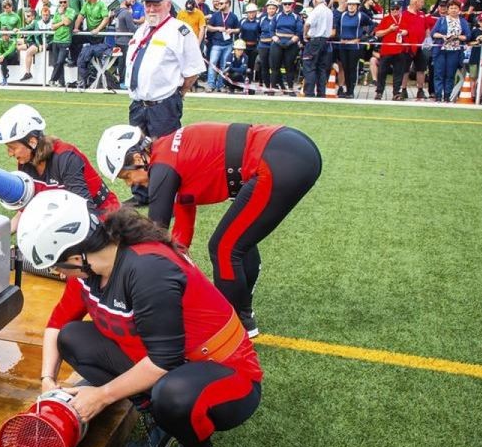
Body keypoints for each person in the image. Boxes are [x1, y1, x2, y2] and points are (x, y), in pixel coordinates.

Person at [18, 192, 262, 447]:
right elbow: (57, 324)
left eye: (57, 266)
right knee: (72, 337)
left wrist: (101, 395)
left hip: (229, 374)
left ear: (77, 257)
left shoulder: (147, 270)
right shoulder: (93, 265)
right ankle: (158, 418)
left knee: (172, 395)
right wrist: (47, 380)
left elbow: (164, 361)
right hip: (173, 362)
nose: (59, 274)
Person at [96, 122, 322, 336]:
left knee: (224, 248)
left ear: (138, 157)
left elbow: (154, 235)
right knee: (238, 242)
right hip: (289, 149)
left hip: (280, 160)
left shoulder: (163, 167)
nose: (131, 184)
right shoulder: (167, 158)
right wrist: (181, 263)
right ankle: (243, 313)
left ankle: (235, 325)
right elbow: (180, 233)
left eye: (127, 176)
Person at [123, 0, 206, 206]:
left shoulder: (180, 31)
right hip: (138, 103)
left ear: (168, 4)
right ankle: (141, 195)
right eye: (148, 4)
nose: (151, 9)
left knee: (165, 154)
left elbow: (193, 70)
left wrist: (179, 94)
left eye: (156, 4)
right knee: (137, 151)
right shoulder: (142, 30)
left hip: (163, 104)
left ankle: (165, 199)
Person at [0, 103, 119, 230]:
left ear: (32, 142)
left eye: (12, 148)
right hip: (67, 216)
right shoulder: (25, 163)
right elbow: (26, 209)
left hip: (102, 214)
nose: (10, 154)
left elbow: (86, 211)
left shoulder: (66, 157)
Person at [333, 0, 373, 98]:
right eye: (349, 4)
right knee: (345, 68)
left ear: (357, 6)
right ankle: (347, 90)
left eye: (353, 4)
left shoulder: (361, 16)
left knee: (352, 68)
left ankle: (351, 91)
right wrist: (339, 38)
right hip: (343, 46)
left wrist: (362, 38)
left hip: (354, 47)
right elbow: (336, 28)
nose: (351, 6)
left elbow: (372, 24)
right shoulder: (342, 15)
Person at [431, 2, 471, 103]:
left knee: (450, 74)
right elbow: (433, 33)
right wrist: (443, 36)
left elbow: (467, 36)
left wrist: (457, 37)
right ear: (448, 10)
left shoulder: (463, 21)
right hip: (441, 50)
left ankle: (447, 96)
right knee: (438, 73)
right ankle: (438, 96)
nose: (453, 10)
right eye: (451, 8)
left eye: (455, 8)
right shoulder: (441, 20)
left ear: (459, 10)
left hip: (455, 51)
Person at [301, 0, 334, 98]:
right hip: (325, 41)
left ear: (314, 0)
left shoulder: (316, 10)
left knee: (309, 66)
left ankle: (309, 93)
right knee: (321, 68)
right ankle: (321, 93)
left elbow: (307, 24)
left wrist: (305, 35)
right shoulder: (329, 11)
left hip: (314, 40)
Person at [269, 0, 303, 92]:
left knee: (290, 67)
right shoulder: (277, 16)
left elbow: (299, 32)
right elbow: (271, 31)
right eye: (285, 4)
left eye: (289, 4)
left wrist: (291, 42)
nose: (287, 6)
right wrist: (277, 40)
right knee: (275, 67)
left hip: (291, 44)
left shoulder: (297, 17)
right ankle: (273, 88)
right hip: (277, 43)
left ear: (292, 5)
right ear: (282, 5)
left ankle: (290, 88)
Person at [204, 0, 239, 91]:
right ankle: (210, 85)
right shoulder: (215, 15)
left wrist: (232, 30)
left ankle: (221, 85)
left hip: (228, 44)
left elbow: (238, 29)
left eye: (221, 3)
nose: (219, 5)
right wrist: (218, 28)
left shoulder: (233, 16)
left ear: (227, 4)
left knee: (224, 65)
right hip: (216, 43)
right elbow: (208, 27)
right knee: (213, 64)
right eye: (219, 3)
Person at [48, 0, 77, 88]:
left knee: (60, 62)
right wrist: (61, 22)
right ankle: (61, 82)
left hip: (66, 40)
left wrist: (61, 15)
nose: (62, 4)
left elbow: (68, 22)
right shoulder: (57, 12)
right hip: (56, 40)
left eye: (64, 2)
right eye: (60, 2)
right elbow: (52, 26)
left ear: (67, 3)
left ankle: (52, 79)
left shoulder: (71, 11)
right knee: (57, 62)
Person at [255, 0, 277, 86]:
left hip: (274, 44)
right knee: (264, 66)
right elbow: (258, 30)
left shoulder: (278, 18)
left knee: (274, 66)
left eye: (273, 8)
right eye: (269, 8)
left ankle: (274, 85)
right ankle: (267, 86)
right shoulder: (262, 18)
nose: (271, 10)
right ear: (266, 9)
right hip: (263, 45)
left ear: (276, 9)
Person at [237, 3, 261, 83]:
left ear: (256, 12)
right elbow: (238, 33)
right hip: (243, 47)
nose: (251, 14)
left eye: (253, 12)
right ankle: (240, 81)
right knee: (242, 64)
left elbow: (260, 34)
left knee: (250, 65)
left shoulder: (259, 22)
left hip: (254, 47)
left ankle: (249, 83)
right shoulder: (242, 21)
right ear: (247, 13)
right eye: (249, 12)